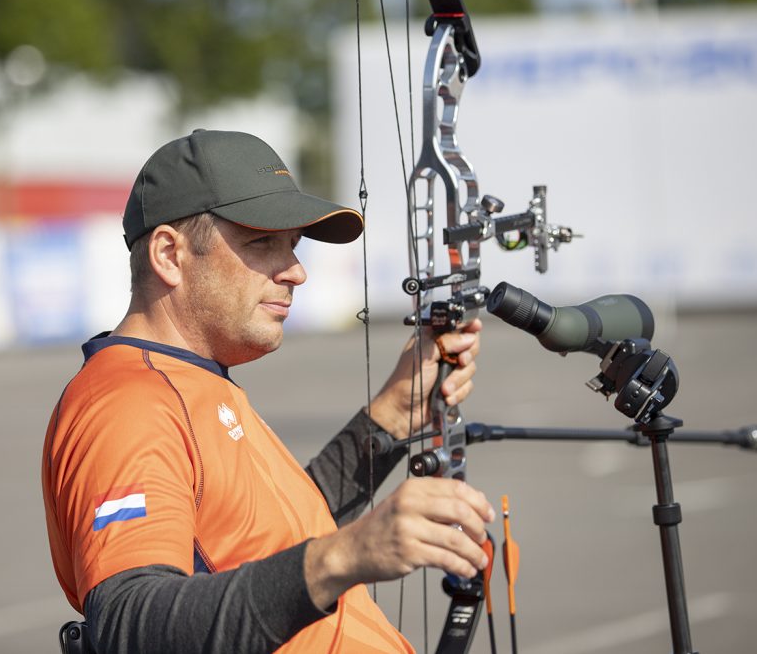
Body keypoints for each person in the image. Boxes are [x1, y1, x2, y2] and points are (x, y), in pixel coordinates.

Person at [41, 129, 494, 653]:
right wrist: (344, 556)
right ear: (169, 254)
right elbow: (130, 622)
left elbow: (272, 539)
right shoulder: (128, 404)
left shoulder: (191, 378)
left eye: (293, 247)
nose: (297, 271)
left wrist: (393, 416)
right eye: (261, 243)